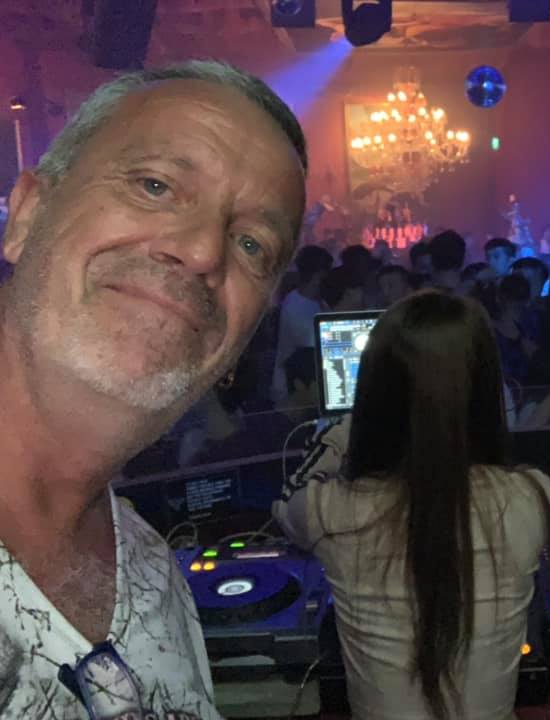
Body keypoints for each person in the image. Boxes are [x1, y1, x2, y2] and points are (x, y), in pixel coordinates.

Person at [0, 60, 307, 718]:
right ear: (26, 214)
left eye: (252, 244)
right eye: (155, 185)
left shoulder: (153, 573)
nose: (202, 252)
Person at [273, 292, 550, 720]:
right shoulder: (535, 497)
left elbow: (285, 500)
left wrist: (342, 431)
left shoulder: (326, 510)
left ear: (372, 394)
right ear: (485, 390)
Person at [271, 246, 332, 403]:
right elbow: (316, 347)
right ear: (319, 275)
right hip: (292, 391)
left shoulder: (318, 301)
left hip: (307, 387)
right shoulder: (295, 307)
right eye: (328, 272)